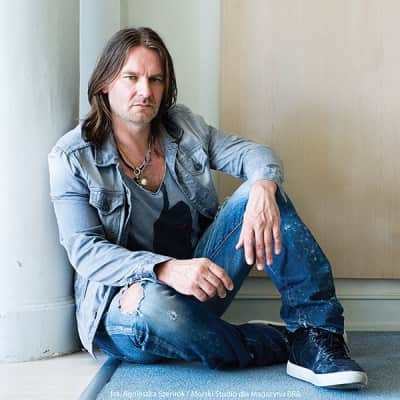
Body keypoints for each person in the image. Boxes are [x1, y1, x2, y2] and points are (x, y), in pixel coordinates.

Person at [48, 27, 367, 390]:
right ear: (105, 83)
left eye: (155, 79)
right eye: (131, 78)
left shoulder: (183, 128)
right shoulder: (72, 157)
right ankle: (277, 342)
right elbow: (85, 251)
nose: (145, 91)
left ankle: (317, 330)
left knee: (262, 193)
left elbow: (254, 154)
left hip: (199, 285)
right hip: (126, 304)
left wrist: (263, 187)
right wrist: (163, 269)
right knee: (152, 308)